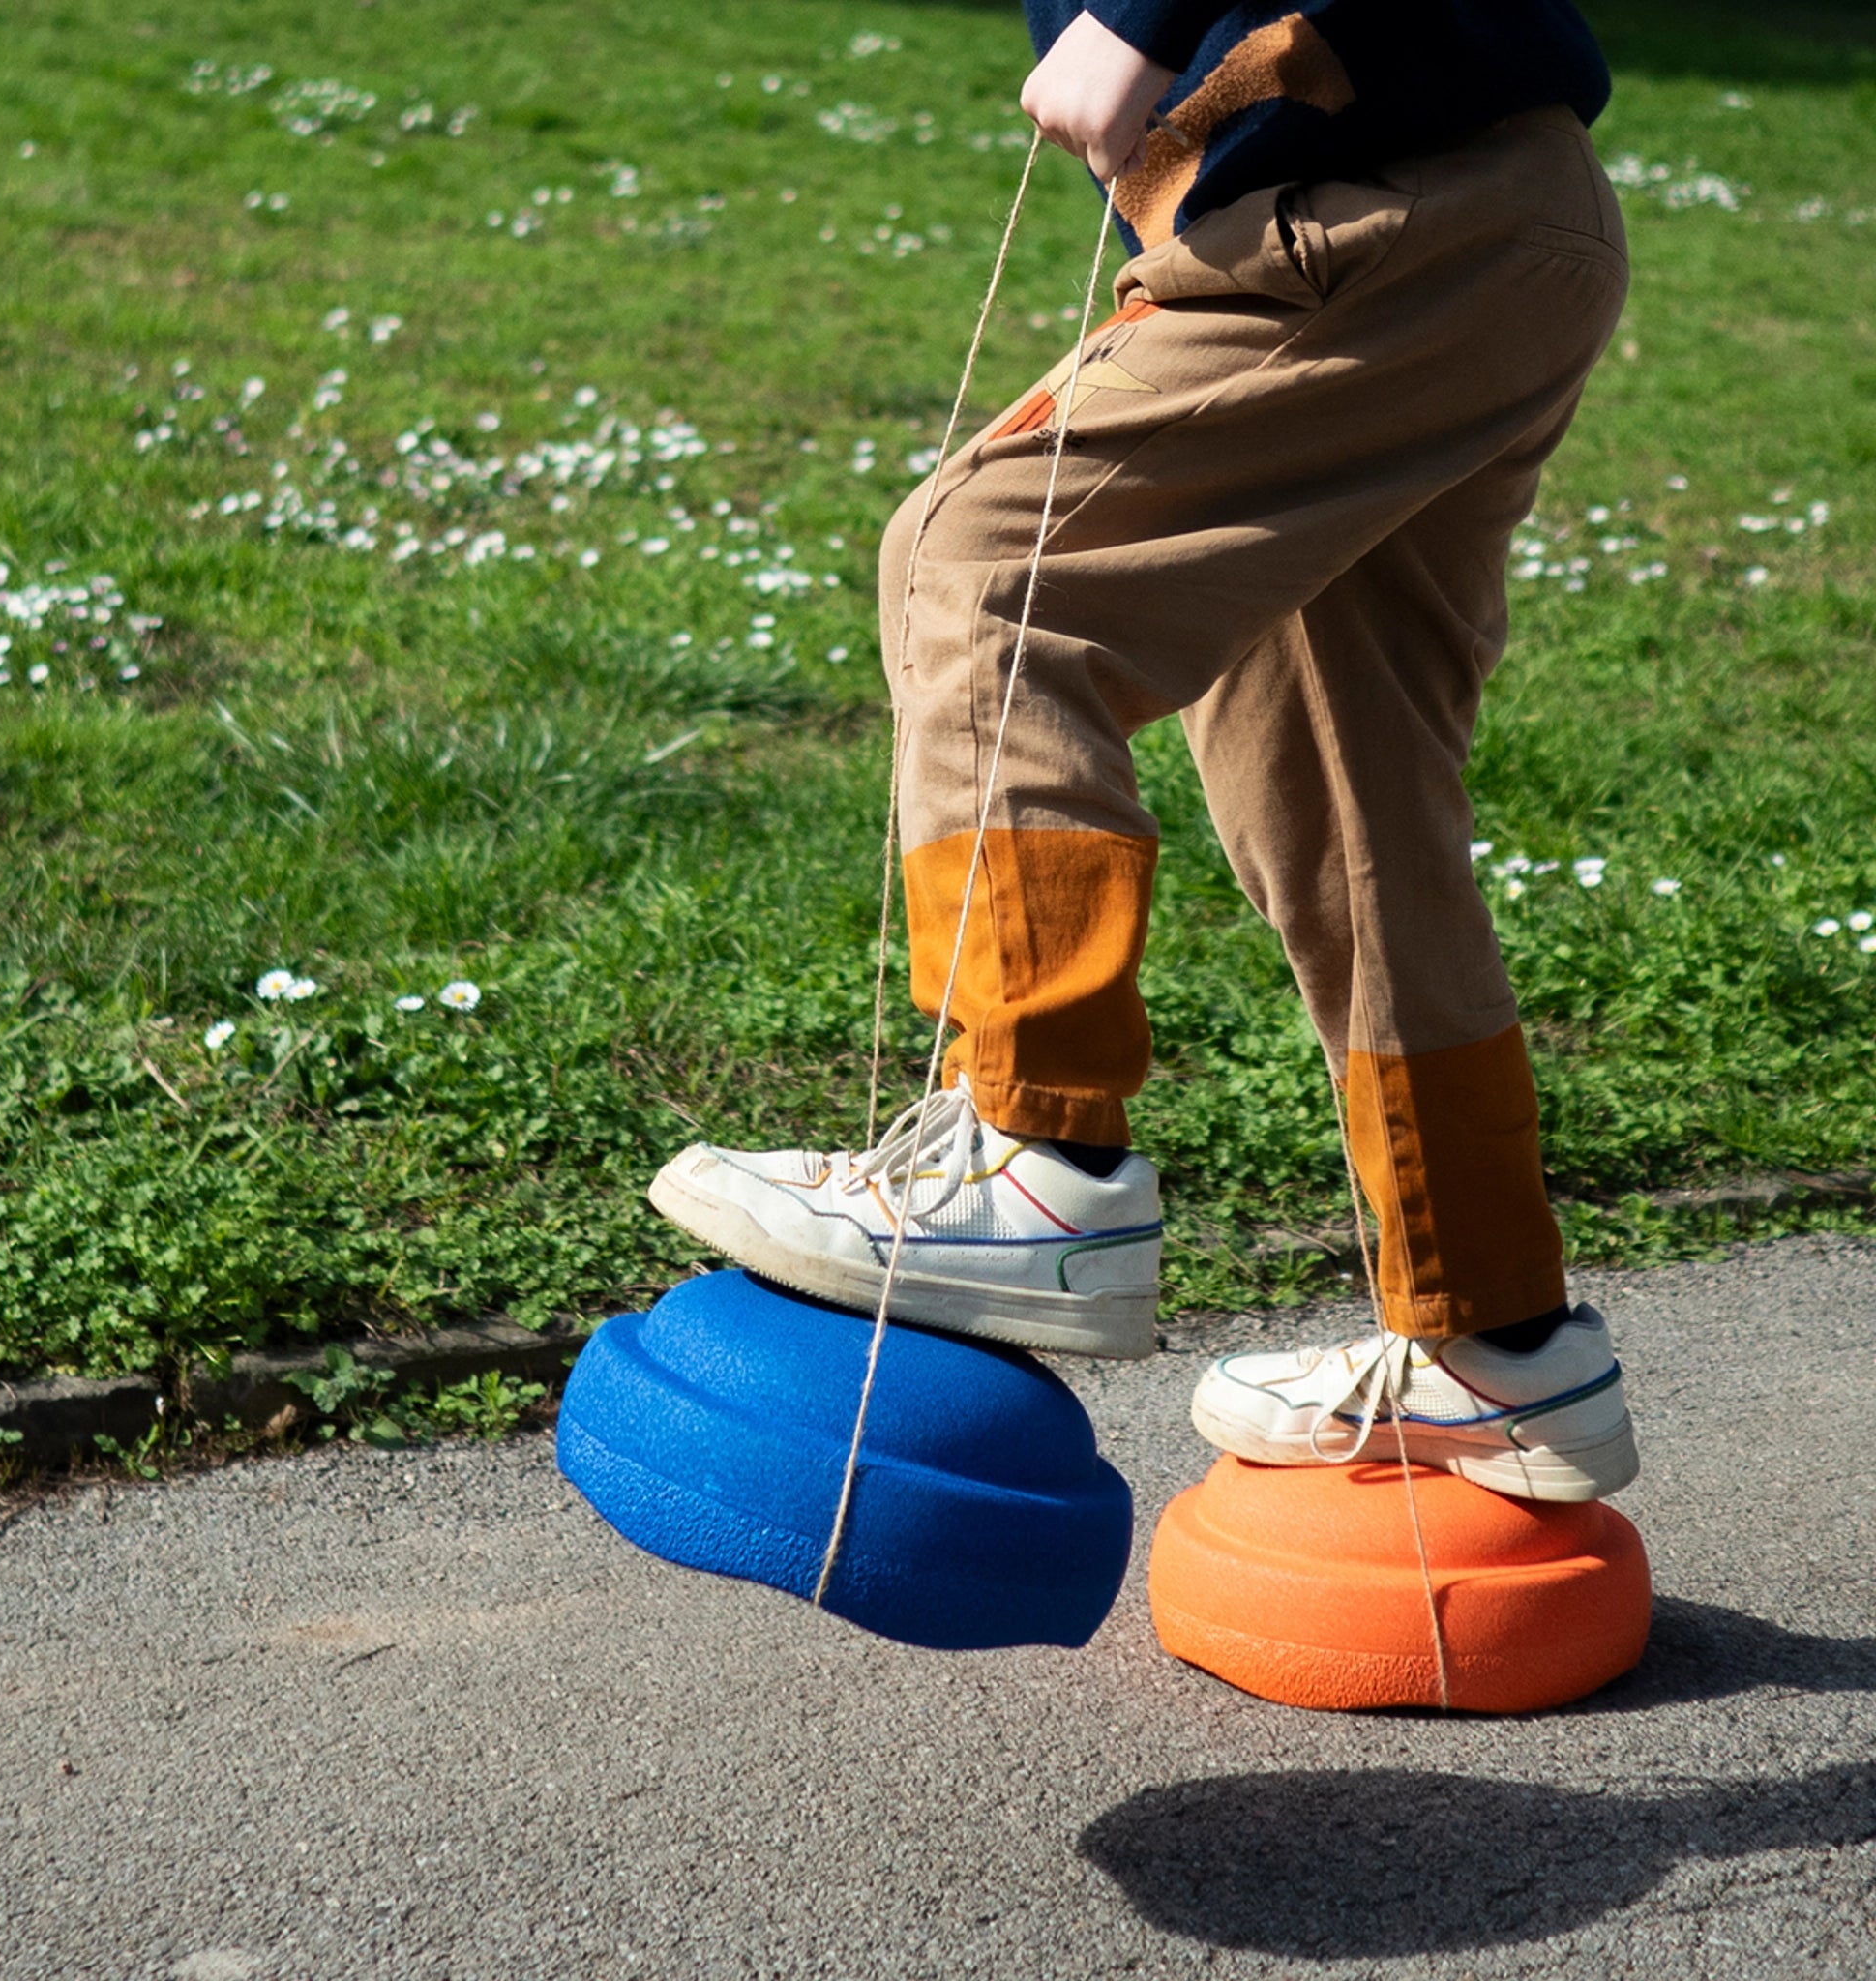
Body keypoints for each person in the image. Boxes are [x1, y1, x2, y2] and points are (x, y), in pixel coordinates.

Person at [649, 1, 1640, 1504]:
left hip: (1390, 211)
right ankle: (1497, 1343)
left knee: (982, 569)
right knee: (1337, 780)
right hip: (1494, 216)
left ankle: (1033, 1158)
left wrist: (1143, 12)